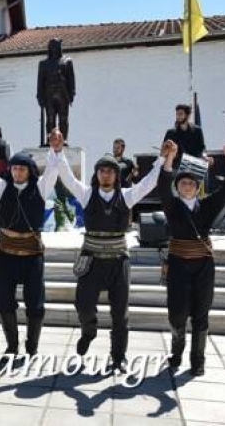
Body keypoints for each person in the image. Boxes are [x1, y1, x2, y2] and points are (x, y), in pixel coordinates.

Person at [55, 131, 167, 371]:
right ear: (96, 174)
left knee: (120, 314)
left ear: (116, 175)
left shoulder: (127, 195)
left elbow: (149, 182)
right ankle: (89, 330)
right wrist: (57, 151)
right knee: (83, 305)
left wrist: (162, 160)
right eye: (102, 170)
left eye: (110, 171)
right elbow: (66, 177)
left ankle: (118, 357)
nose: (106, 174)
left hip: (118, 261)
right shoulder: (86, 194)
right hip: (91, 260)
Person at [0, 129, 62, 361]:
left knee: (36, 306)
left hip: (32, 256)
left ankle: (32, 346)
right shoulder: (1, 188)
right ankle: (12, 345)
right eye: (14, 168)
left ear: (30, 171)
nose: (17, 172)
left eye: (22, 168)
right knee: (4, 303)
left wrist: (56, 149)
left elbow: (52, 170)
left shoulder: (40, 188)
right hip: (6, 255)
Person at [159, 142, 225, 376]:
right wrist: (170, 159)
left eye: (192, 183)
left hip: (203, 265)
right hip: (177, 265)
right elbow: (163, 186)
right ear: (178, 186)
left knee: (201, 313)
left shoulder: (207, 206)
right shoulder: (171, 206)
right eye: (183, 182)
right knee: (177, 313)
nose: (187, 186)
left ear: (197, 187)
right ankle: (177, 351)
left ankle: (198, 360)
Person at [37, 38, 76, 141]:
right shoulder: (43, 63)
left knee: (63, 119)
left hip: (63, 94)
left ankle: (64, 140)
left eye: (56, 47)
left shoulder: (67, 61)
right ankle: (50, 140)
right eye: (52, 47)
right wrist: (40, 97)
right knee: (50, 119)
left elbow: (71, 80)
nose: (54, 49)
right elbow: (40, 82)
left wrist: (72, 94)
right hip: (49, 94)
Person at [163, 104, 207, 168]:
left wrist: (204, 157)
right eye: (177, 114)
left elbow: (202, 148)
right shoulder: (170, 133)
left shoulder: (197, 131)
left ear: (188, 116)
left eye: (181, 114)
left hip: (193, 165)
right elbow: (164, 150)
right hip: (176, 166)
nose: (178, 116)